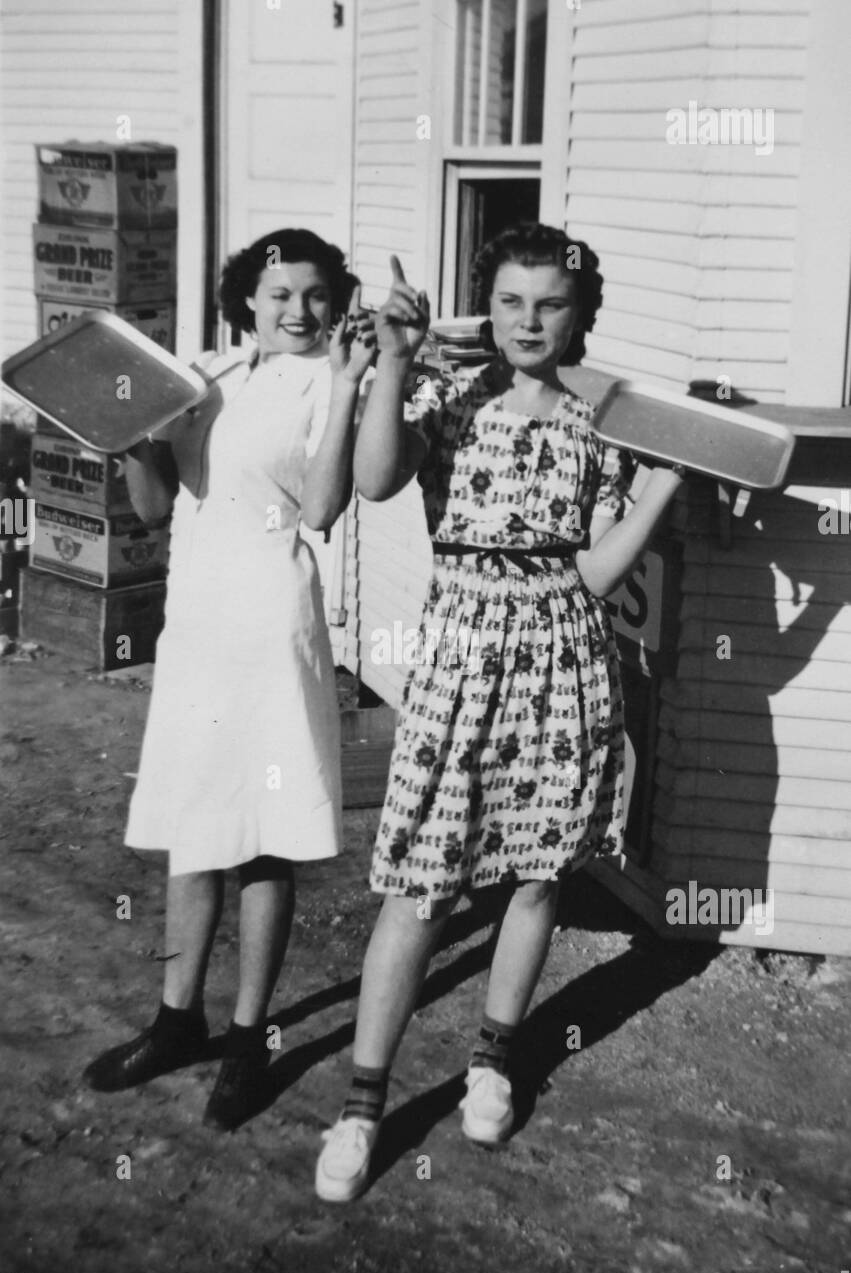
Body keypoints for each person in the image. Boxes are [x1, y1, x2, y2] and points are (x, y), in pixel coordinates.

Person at [315, 223, 686, 1201]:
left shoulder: (601, 423)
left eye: (549, 303)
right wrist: (391, 365)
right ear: (489, 307)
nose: (528, 321)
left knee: (533, 876)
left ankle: (491, 1057)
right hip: (458, 658)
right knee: (419, 881)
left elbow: (595, 571)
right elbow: (373, 478)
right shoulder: (447, 395)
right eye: (511, 301)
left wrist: (665, 484)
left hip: (562, 660)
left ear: (577, 315)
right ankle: (360, 1106)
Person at [83, 228, 376, 1129]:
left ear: (336, 303)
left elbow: (325, 508)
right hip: (197, 628)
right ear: (246, 297)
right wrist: (136, 438)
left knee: (262, 836)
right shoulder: (202, 374)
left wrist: (349, 382)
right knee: (193, 826)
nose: (297, 309)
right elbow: (153, 505)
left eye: (316, 294)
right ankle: (178, 1020)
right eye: (278, 291)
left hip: (271, 625)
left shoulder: (333, 384)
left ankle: (251, 1040)